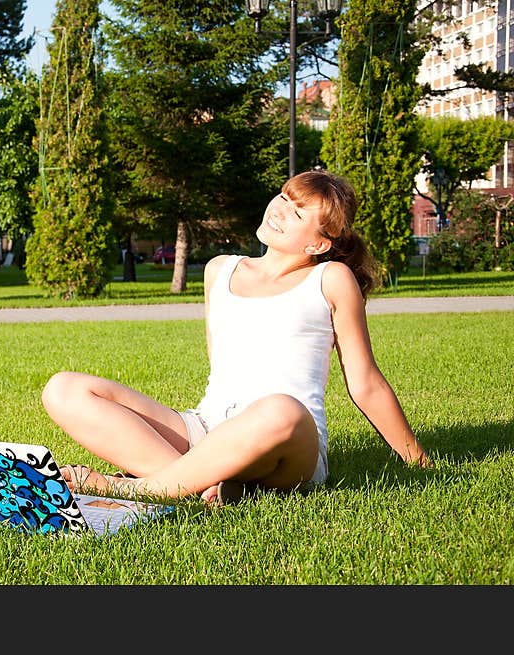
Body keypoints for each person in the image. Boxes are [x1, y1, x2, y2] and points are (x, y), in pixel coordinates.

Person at [40, 170, 432, 505]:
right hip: (207, 427)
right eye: (283, 197)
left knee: (281, 408)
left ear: (318, 244)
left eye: (296, 213)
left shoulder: (331, 279)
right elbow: (220, 367)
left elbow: (364, 383)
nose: (279, 210)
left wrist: (418, 461)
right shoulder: (219, 270)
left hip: (286, 439)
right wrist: (204, 442)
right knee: (63, 389)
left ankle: (135, 487)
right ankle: (205, 482)